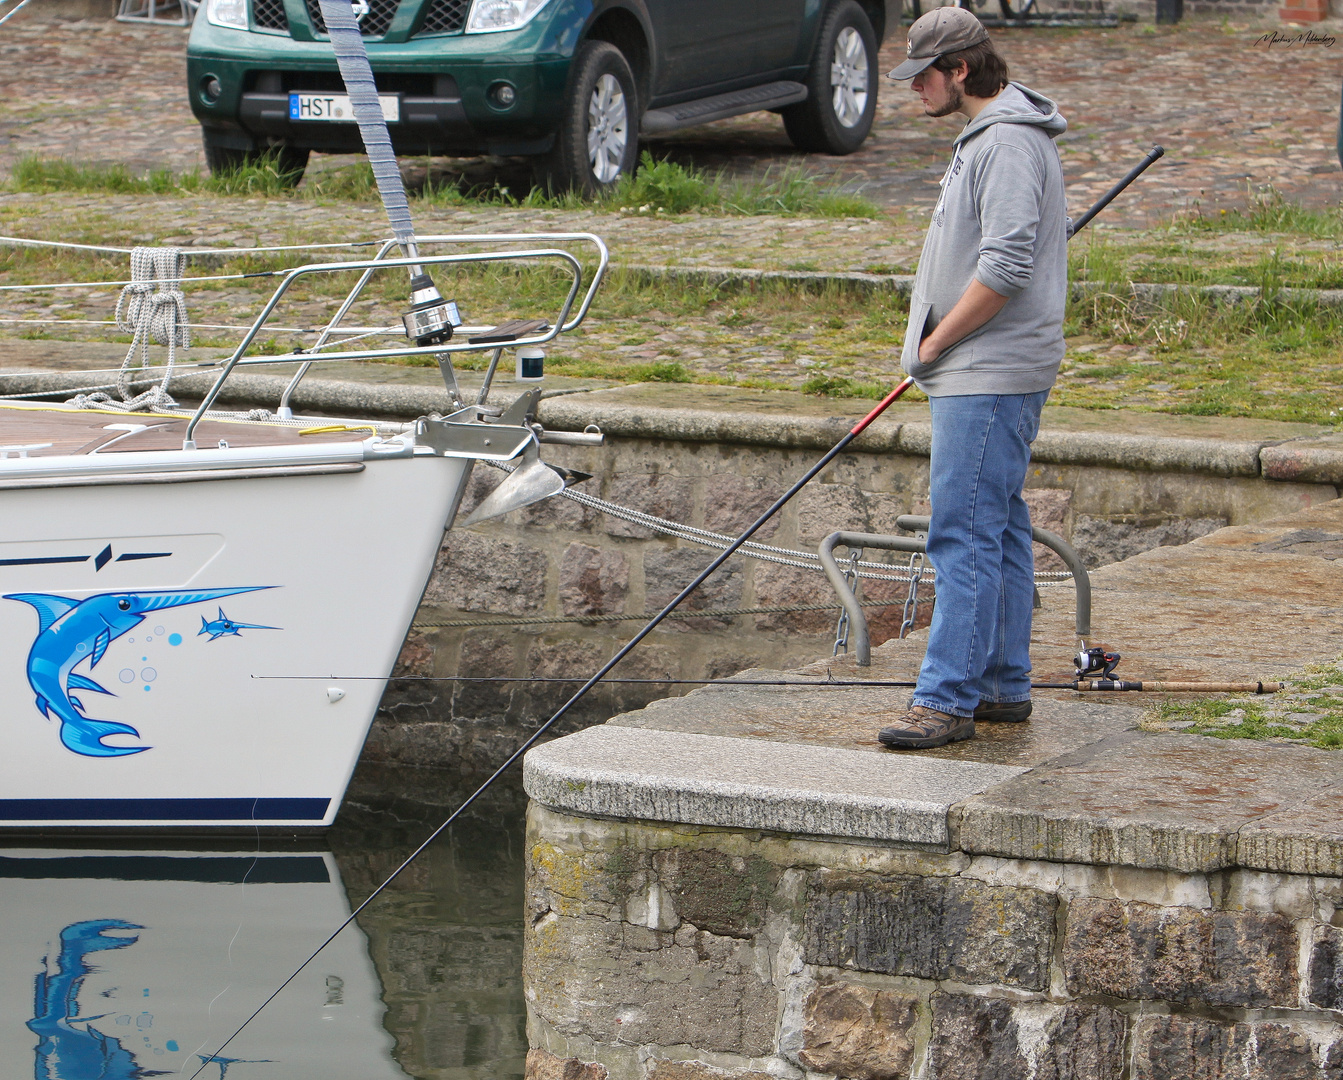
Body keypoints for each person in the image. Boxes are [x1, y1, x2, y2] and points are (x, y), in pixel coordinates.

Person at [877, 8, 1070, 750]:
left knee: (960, 533)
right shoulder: (988, 140)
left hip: (984, 370)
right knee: (1001, 526)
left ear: (960, 69)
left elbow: (1004, 269)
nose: (913, 90)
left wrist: (932, 344)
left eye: (922, 76)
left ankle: (945, 699)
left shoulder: (1008, 144)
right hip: (980, 367)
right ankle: (998, 685)